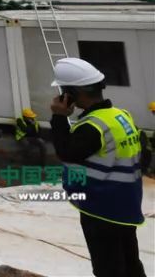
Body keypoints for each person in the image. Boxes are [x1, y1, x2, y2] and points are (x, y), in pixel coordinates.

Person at [49, 58, 146, 276]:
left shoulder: (92, 126)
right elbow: (144, 154)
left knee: (108, 269)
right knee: (130, 262)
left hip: (100, 208)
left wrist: (58, 116)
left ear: (71, 94)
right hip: (126, 204)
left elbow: (66, 153)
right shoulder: (121, 116)